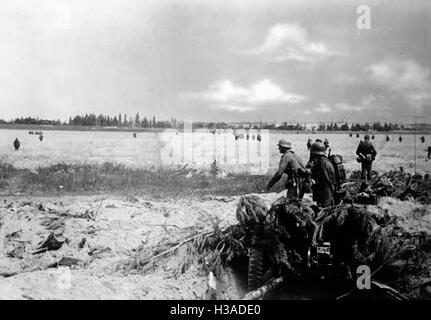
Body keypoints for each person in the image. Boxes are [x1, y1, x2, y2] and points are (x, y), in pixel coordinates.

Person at [309, 141, 336, 208]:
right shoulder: (324, 161)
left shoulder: (322, 164)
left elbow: (326, 180)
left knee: (324, 211)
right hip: (326, 192)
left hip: (325, 193)